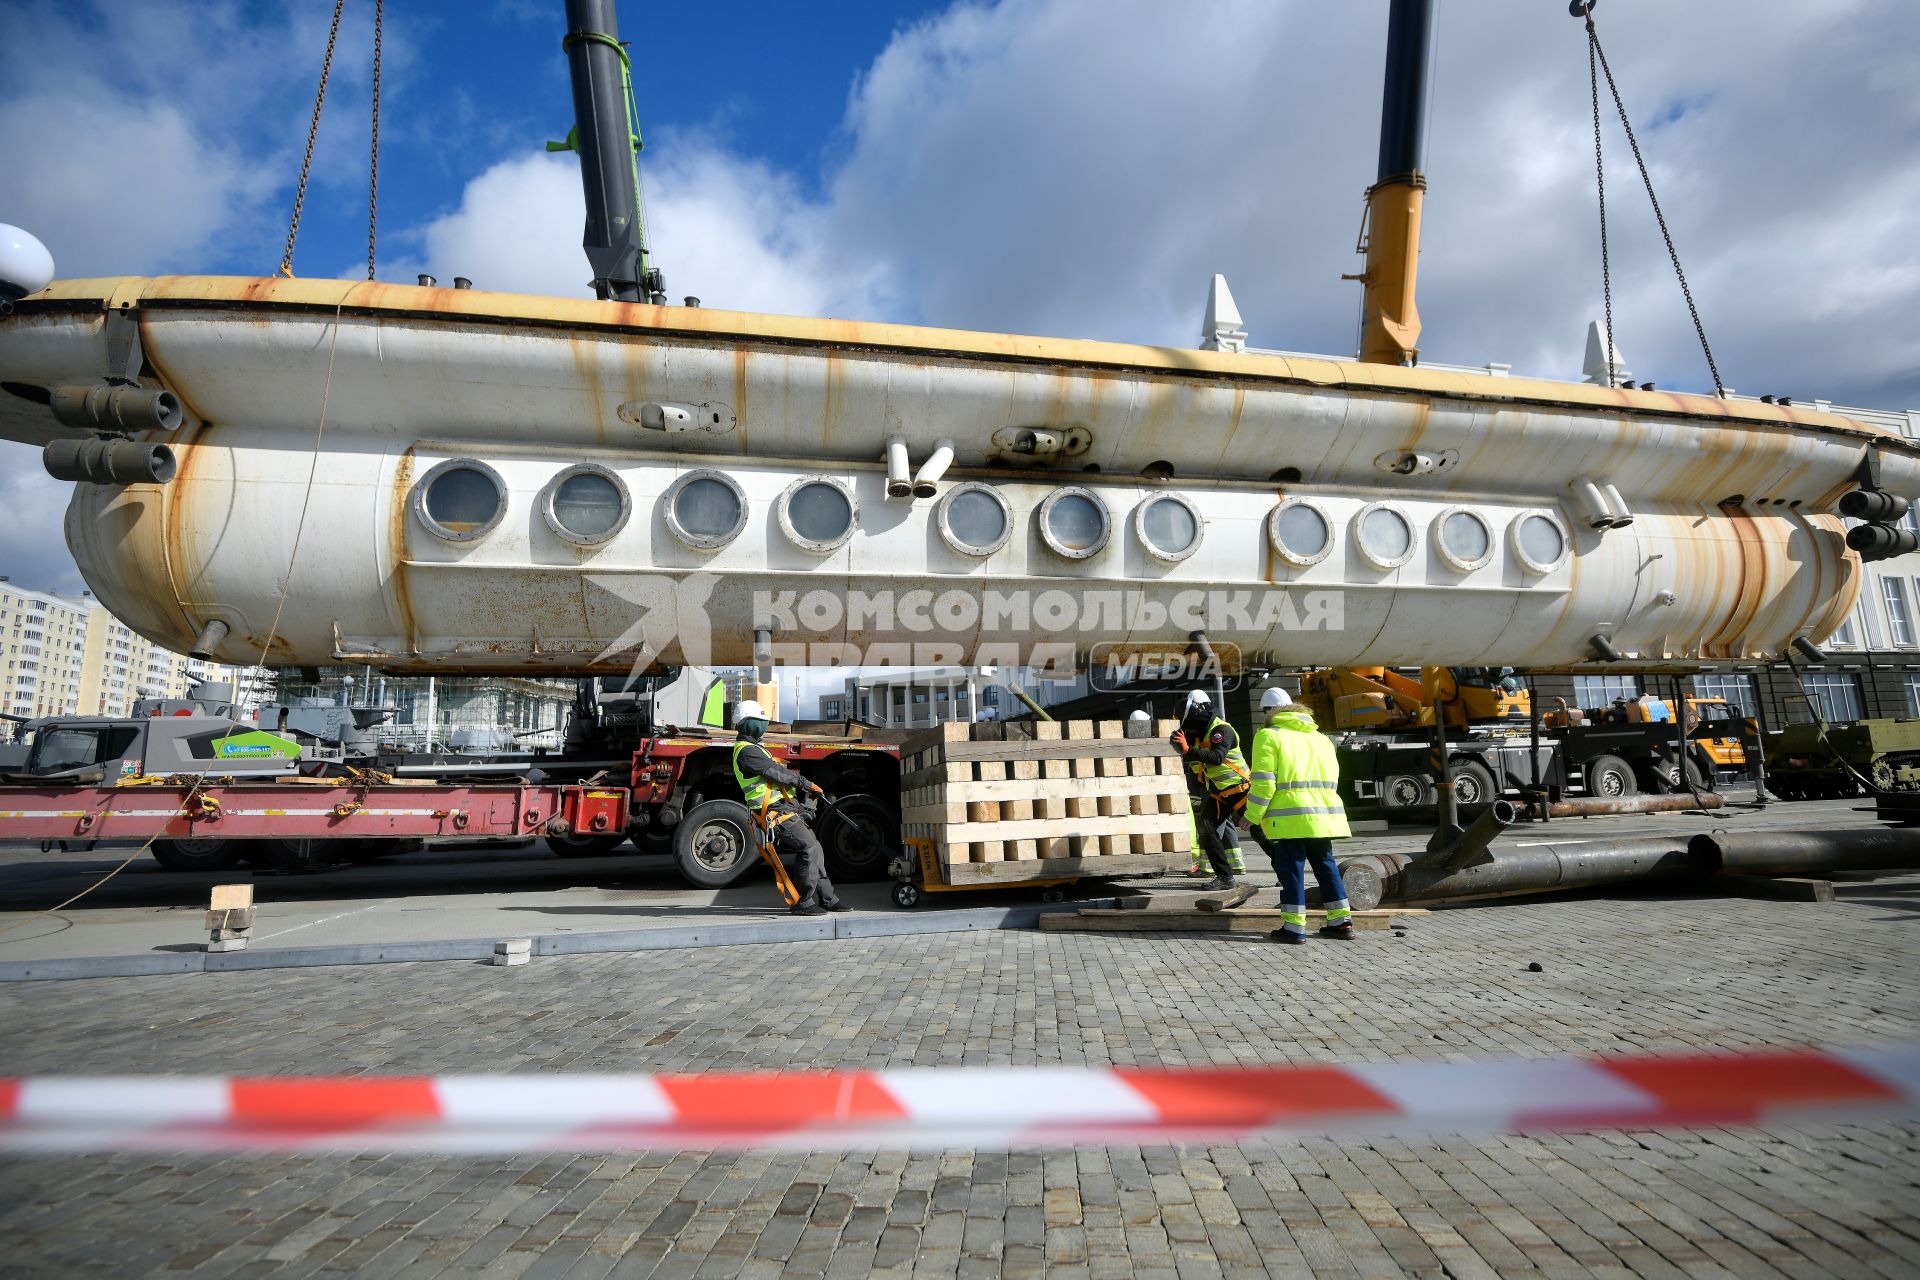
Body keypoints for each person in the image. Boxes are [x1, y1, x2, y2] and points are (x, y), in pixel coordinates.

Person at [1242, 687, 1357, 943]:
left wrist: (1251, 816)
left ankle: (1294, 928)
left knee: (1291, 870)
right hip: (1323, 816)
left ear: (1268, 713)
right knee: (1326, 866)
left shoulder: (1268, 736)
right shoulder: (1321, 738)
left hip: (1289, 818)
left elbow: (1264, 782)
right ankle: (1341, 922)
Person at [730, 699, 847, 916]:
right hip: (774, 811)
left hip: (783, 808)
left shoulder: (754, 748)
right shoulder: (746, 751)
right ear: (748, 723)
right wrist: (807, 784)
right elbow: (776, 772)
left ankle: (829, 898)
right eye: (761, 721)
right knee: (808, 847)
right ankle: (803, 902)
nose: (765, 725)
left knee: (815, 847)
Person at [1171, 689, 1251, 890]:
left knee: (1259, 834)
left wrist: (1188, 751)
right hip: (1220, 793)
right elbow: (1199, 764)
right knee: (1207, 828)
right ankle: (1225, 878)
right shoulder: (1201, 734)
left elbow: (1217, 758)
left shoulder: (1221, 730)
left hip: (1240, 790)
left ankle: (1285, 873)